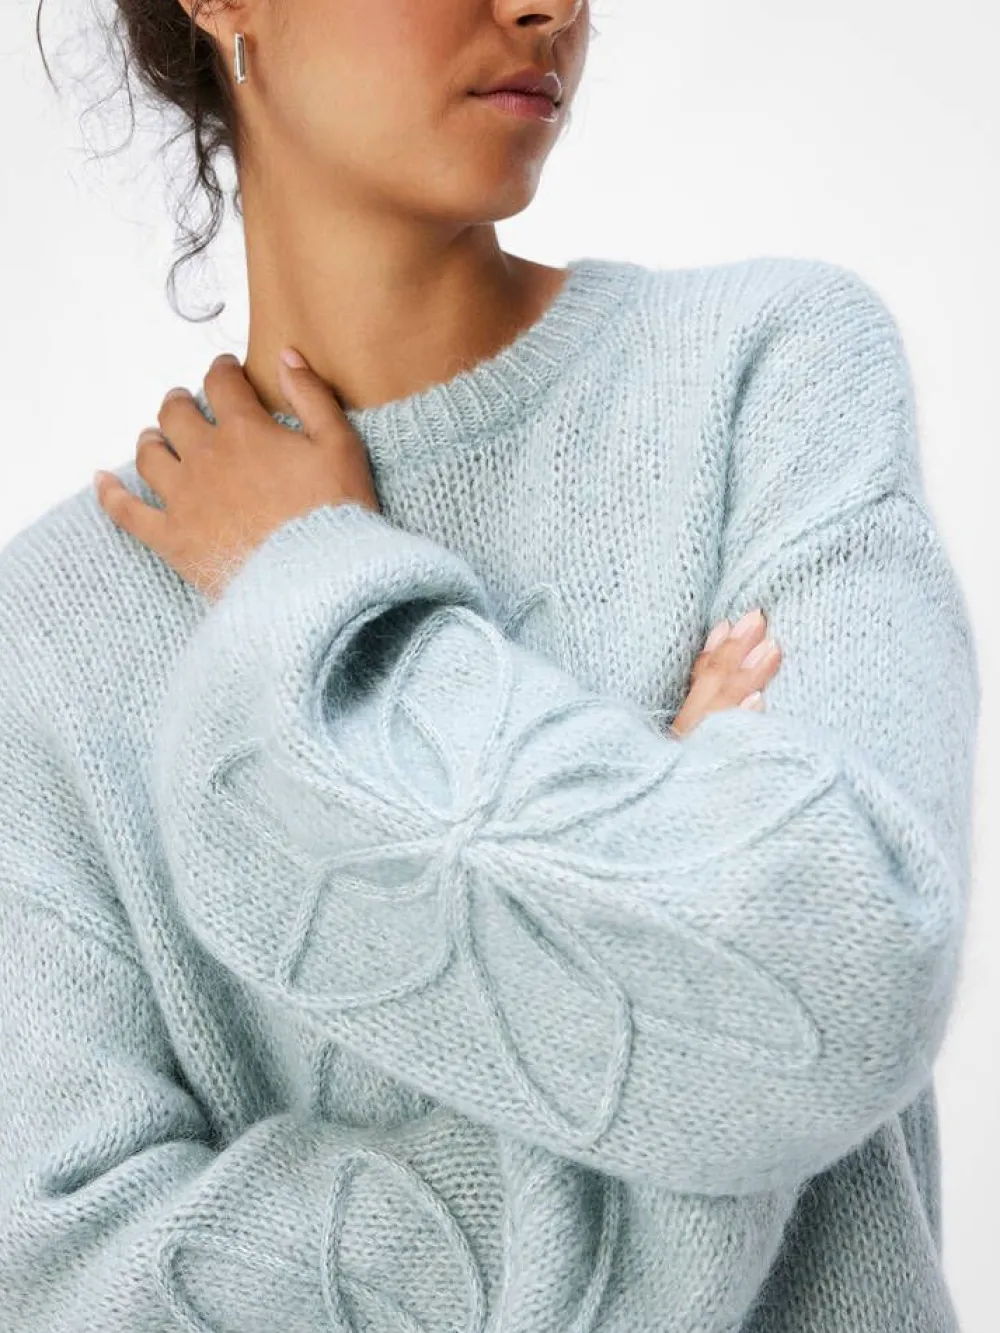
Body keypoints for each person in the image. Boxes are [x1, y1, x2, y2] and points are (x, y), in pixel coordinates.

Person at [1, 1, 979, 1329]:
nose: (550, 8)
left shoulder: (772, 374)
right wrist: (676, 934)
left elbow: (845, 978)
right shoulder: (48, 634)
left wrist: (315, 586)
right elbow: (74, 1289)